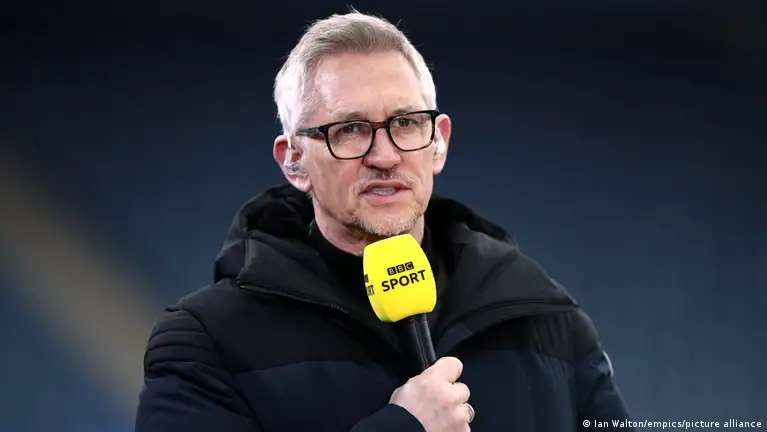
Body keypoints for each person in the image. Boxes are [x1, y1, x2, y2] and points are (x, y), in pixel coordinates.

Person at [134, 10, 633, 432]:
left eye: (406, 123)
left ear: (438, 143)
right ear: (294, 162)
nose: (385, 155)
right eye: (350, 129)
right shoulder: (206, 342)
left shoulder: (547, 320)